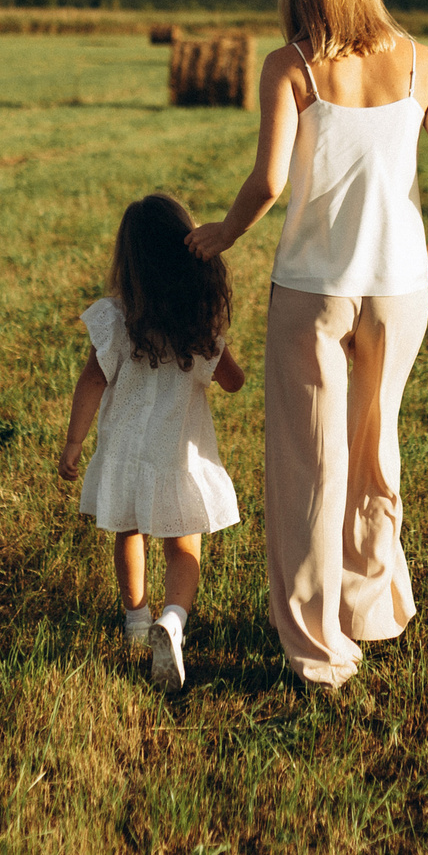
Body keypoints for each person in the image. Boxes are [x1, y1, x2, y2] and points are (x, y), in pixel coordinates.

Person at [188, 0, 428, 691]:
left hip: (312, 288)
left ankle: (319, 650)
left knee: (307, 466)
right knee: (375, 446)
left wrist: (224, 233)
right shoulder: (422, 63)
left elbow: (268, 181)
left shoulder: (290, 66)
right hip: (399, 289)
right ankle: (370, 610)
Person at [61, 192, 246, 692]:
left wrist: (74, 443)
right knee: (183, 544)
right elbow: (234, 382)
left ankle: (137, 621)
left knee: (129, 531)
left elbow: (92, 381)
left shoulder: (116, 317)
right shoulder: (197, 325)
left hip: (124, 453)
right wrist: (218, 345)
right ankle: (174, 620)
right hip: (176, 456)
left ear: (129, 260)